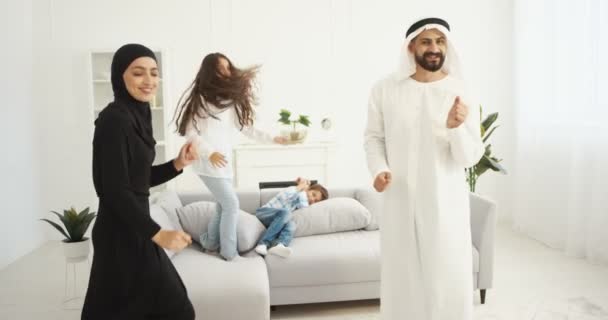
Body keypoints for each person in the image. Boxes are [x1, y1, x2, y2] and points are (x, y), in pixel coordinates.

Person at [363, 18, 485, 320]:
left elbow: (470, 156)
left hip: (446, 201)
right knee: (402, 272)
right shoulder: (385, 89)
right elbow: (373, 138)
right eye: (426, 41)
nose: (434, 49)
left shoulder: (460, 91)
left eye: (440, 42)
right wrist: (378, 170)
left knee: (446, 273)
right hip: (400, 198)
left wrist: (457, 128)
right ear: (411, 46)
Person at [82, 44, 197, 320]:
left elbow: (137, 180)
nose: (149, 81)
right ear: (120, 77)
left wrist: (177, 165)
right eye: (138, 73)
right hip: (120, 234)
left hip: (135, 228)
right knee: (174, 309)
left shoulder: (137, 116)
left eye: (154, 73)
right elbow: (114, 189)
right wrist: (158, 233)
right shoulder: (113, 120)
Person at [174, 53, 287, 261]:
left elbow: (247, 128)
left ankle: (209, 243)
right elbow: (192, 133)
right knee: (231, 204)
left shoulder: (230, 101)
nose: (226, 72)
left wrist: (273, 138)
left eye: (228, 67)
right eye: (221, 69)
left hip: (224, 163)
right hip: (206, 163)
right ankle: (229, 253)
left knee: (222, 205)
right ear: (210, 72)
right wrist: (210, 153)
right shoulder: (200, 100)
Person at [254, 177, 328, 258]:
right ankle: (263, 243)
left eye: (315, 201)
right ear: (308, 189)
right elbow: (290, 196)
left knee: (291, 224)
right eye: (313, 194)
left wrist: (305, 192)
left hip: (275, 222)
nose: (312, 199)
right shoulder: (293, 190)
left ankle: (280, 245)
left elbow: (304, 206)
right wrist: (302, 187)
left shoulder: (300, 203)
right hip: (263, 213)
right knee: (286, 212)